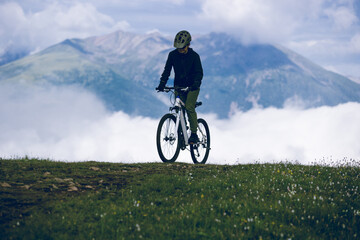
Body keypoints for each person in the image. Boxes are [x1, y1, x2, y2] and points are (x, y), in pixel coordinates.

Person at [157, 30, 203, 144]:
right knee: (178, 108)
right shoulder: (172, 55)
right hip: (178, 86)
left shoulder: (194, 56)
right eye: (178, 48)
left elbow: (199, 73)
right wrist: (162, 84)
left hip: (192, 87)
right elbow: (167, 70)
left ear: (188, 45)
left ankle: (193, 134)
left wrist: (195, 84)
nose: (180, 50)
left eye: (182, 48)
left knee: (189, 107)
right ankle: (182, 130)